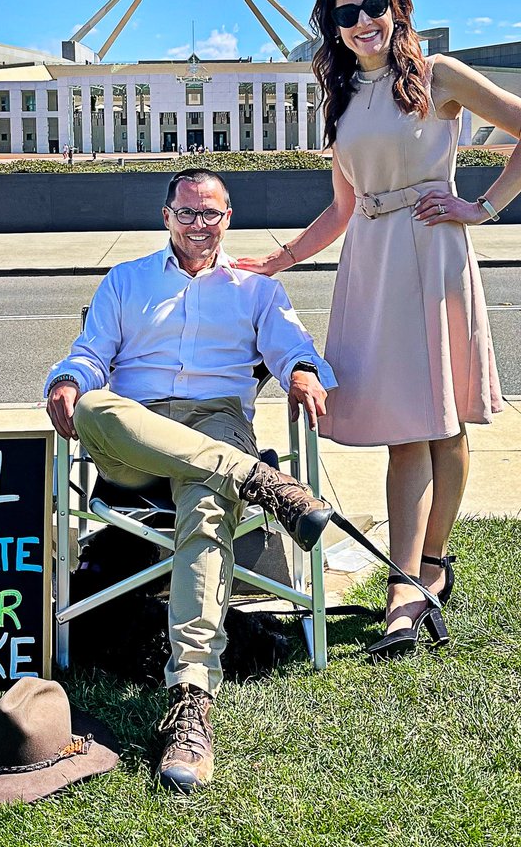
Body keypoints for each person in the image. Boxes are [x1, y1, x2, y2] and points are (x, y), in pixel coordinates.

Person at [238, 0, 521, 658]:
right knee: (408, 425)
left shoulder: (439, 75)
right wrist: (280, 259)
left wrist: (482, 208)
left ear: (397, 6)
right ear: (334, 29)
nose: (362, 23)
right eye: (346, 15)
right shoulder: (344, 94)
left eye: (372, 6)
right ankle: (416, 575)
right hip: (373, 262)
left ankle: (418, 575)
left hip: (431, 250)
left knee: (439, 419)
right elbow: (345, 206)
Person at [45, 167, 335, 794]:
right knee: (96, 406)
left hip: (217, 426)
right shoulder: (127, 281)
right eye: (188, 213)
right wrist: (68, 381)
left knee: (205, 510)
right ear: (166, 214)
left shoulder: (254, 288)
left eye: (212, 215)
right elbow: (91, 353)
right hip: (137, 434)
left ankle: (191, 701)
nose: (199, 226)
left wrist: (304, 373)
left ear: (228, 219)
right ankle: (263, 482)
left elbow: (292, 346)